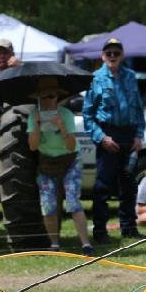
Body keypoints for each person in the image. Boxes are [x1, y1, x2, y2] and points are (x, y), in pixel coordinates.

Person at [83, 38, 146, 243]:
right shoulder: (95, 78)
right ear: (102, 56)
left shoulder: (130, 76)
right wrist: (101, 138)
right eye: (108, 53)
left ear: (122, 55)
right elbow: (88, 115)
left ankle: (129, 228)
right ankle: (100, 231)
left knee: (129, 185)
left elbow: (138, 108)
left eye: (116, 53)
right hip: (107, 136)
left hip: (129, 136)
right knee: (102, 187)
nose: (112, 56)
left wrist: (139, 135)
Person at [27, 77, 94, 256]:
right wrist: (37, 126)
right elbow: (32, 146)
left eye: (51, 96)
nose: (47, 100)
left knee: (73, 202)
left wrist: (61, 126)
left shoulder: (66, 114)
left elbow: (71, 146)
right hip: (47, 162)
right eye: (43, 97)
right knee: (48, 205)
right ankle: (54, 244)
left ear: (57, 97)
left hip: (70, 160)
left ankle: (86, 245)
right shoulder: (34, 115)